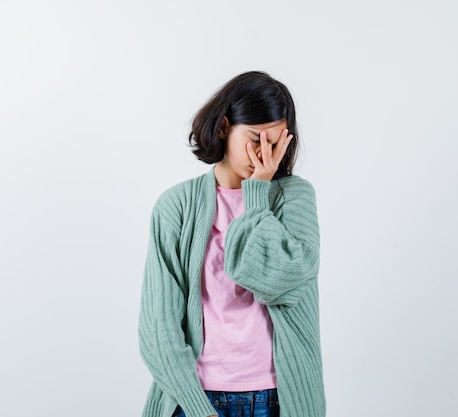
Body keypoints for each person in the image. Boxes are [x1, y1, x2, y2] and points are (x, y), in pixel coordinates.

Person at [138, 71, 324, 417]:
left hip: (279, 400)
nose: (264, 153)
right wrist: (199, 410)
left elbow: (278, 282)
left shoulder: (295, 198)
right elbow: (157, 327)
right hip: (195, 400)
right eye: (255, 139)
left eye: (275, 142)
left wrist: (257, 192)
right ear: (224, 128)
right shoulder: (176, 207)